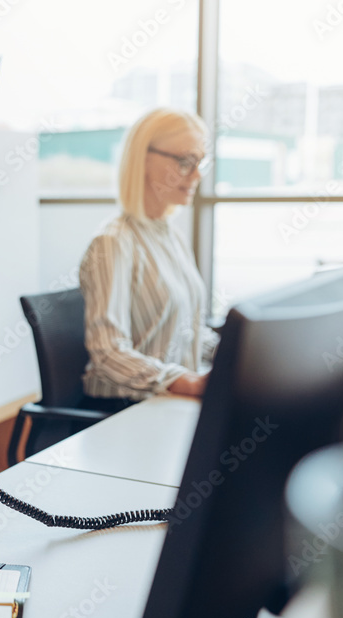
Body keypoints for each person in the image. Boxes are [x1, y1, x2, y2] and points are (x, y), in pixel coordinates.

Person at [79, 108, 219, 412]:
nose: (197, 175)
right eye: (185, 162)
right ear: (144, 158)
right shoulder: (113, 242)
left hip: (172, 401)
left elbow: (187, 331)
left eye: (200, 163)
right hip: (127, 410)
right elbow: (108, 352)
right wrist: (186, 382)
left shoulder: (170, 235)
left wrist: (235, 353)